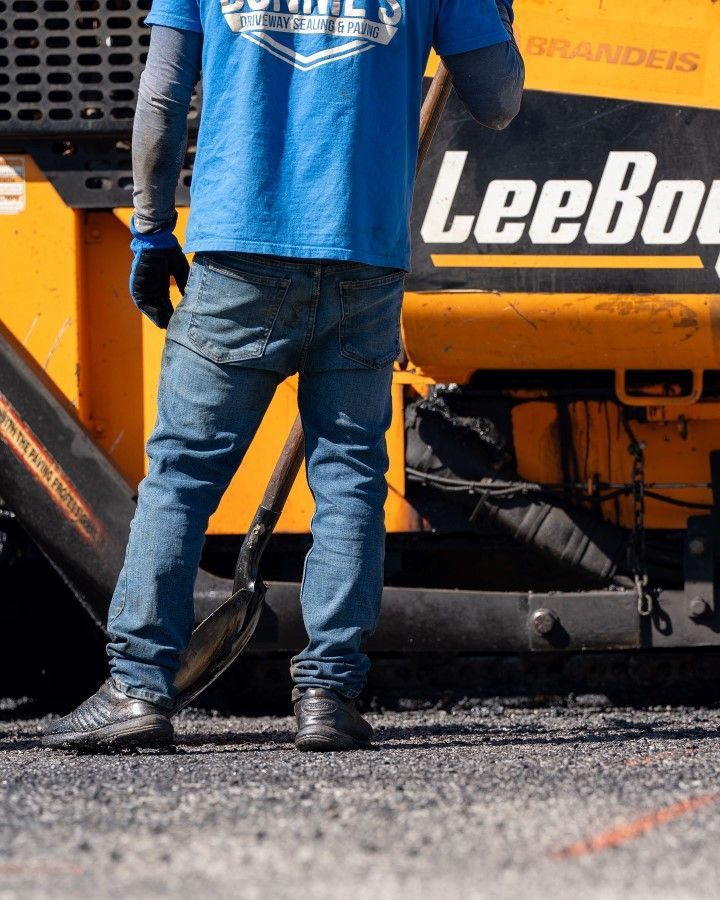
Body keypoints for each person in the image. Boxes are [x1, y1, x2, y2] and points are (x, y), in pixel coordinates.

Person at [43, 0, 524, 751]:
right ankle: (328, 695)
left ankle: (138, 688)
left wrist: (151, 229)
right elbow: (497, 100)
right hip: (364, 259)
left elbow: (163, 93)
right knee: (350, 476)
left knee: (184, 476)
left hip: (239, 252)